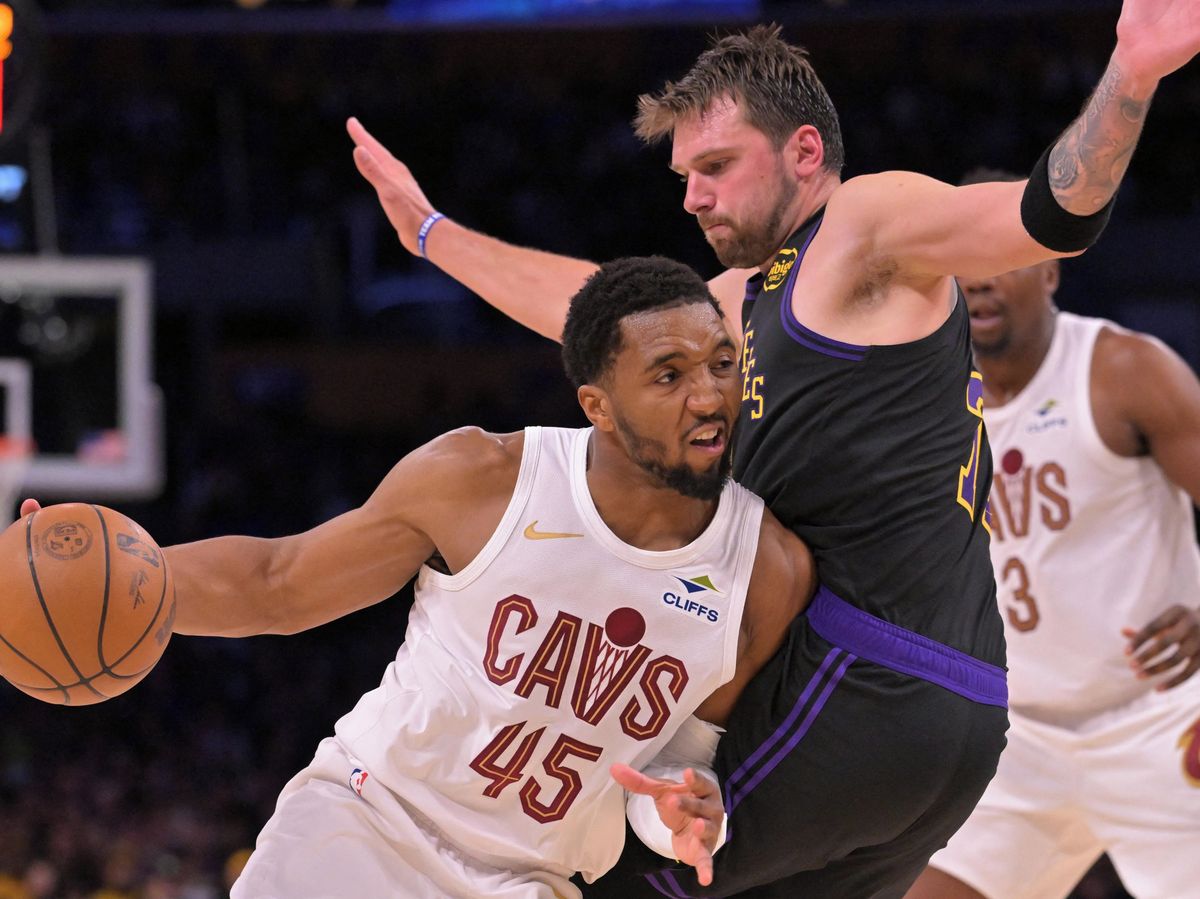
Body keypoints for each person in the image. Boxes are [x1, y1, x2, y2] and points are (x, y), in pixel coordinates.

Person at [346, 4, 1200, 896]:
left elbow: (1048, 213)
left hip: (863, 676)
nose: (693, 196)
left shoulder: (864, 224)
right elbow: (590, 308)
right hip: (953, 711)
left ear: (803, 152)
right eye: (684, 176)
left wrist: (1132, 71)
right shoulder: (744, 297)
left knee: (590, 869)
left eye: (717, 166)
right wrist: (432, 234)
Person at [19, 258, 816, 898]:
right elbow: (279, 579)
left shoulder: (767, 571)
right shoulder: (483, 478)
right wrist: (104, 580)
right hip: (363, 826)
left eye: (721, 363)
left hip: (529, 878)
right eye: (669, 375)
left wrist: (680, 812)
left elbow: (675, 755)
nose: (709, 394)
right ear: (598, 405)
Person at [901, 170, 1200, 899]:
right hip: (1021, 737)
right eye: (963, 262)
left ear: (1051, 269)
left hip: (1159, 719)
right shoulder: (925, 410)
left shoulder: (1122, 370)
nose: (980, 281)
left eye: (1002, 259)